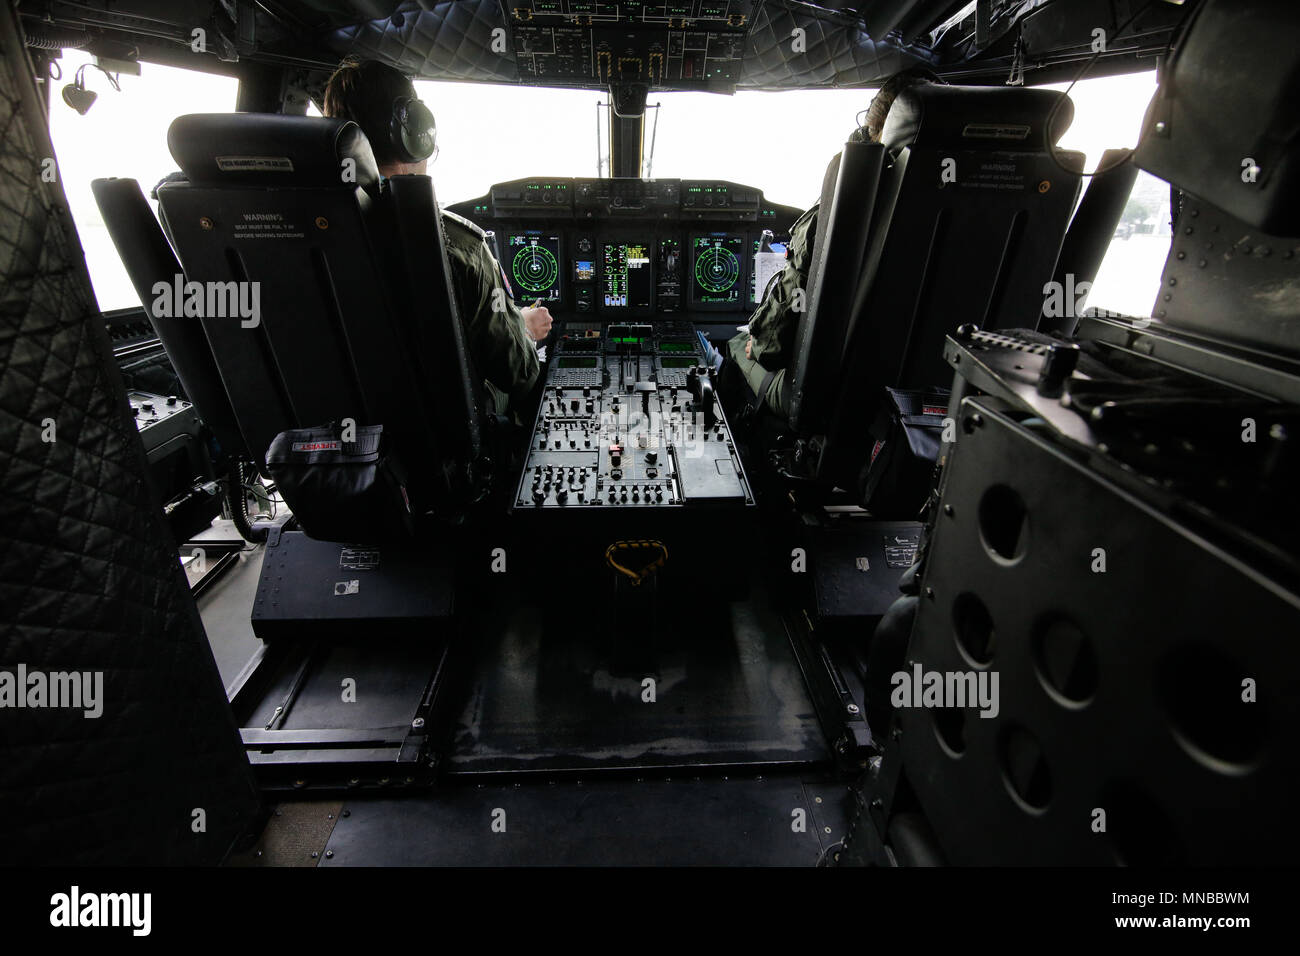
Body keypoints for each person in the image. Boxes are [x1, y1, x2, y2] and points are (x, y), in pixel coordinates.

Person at [323, 57, 549, 417]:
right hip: (443, 443)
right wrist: (522, 328)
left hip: (315, 440)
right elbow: (519, 375)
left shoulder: (284, 236)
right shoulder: (459, 248)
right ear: (415, 131)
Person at [723, 66, 945, 423]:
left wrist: (757, 342)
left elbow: (775, 337)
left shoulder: (847, 209)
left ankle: (753, 450)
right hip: (950, 397)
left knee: (736, 346)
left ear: (874, 130)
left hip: (835, 397)